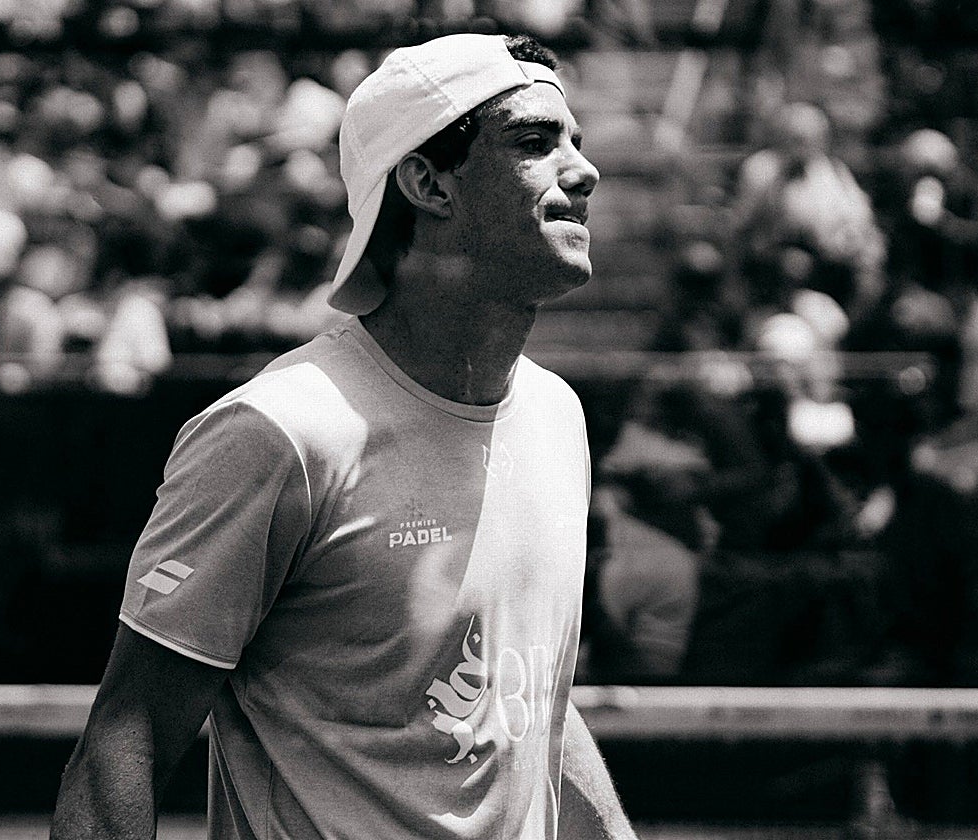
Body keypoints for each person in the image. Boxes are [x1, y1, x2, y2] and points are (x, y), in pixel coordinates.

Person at [50, 33, 638, 840]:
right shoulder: (281, 430)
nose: (584, 169)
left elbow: (527, 703)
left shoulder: (557, 415)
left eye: (575, 140)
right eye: (535, 143)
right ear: (428, 182)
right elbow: (127, 743)